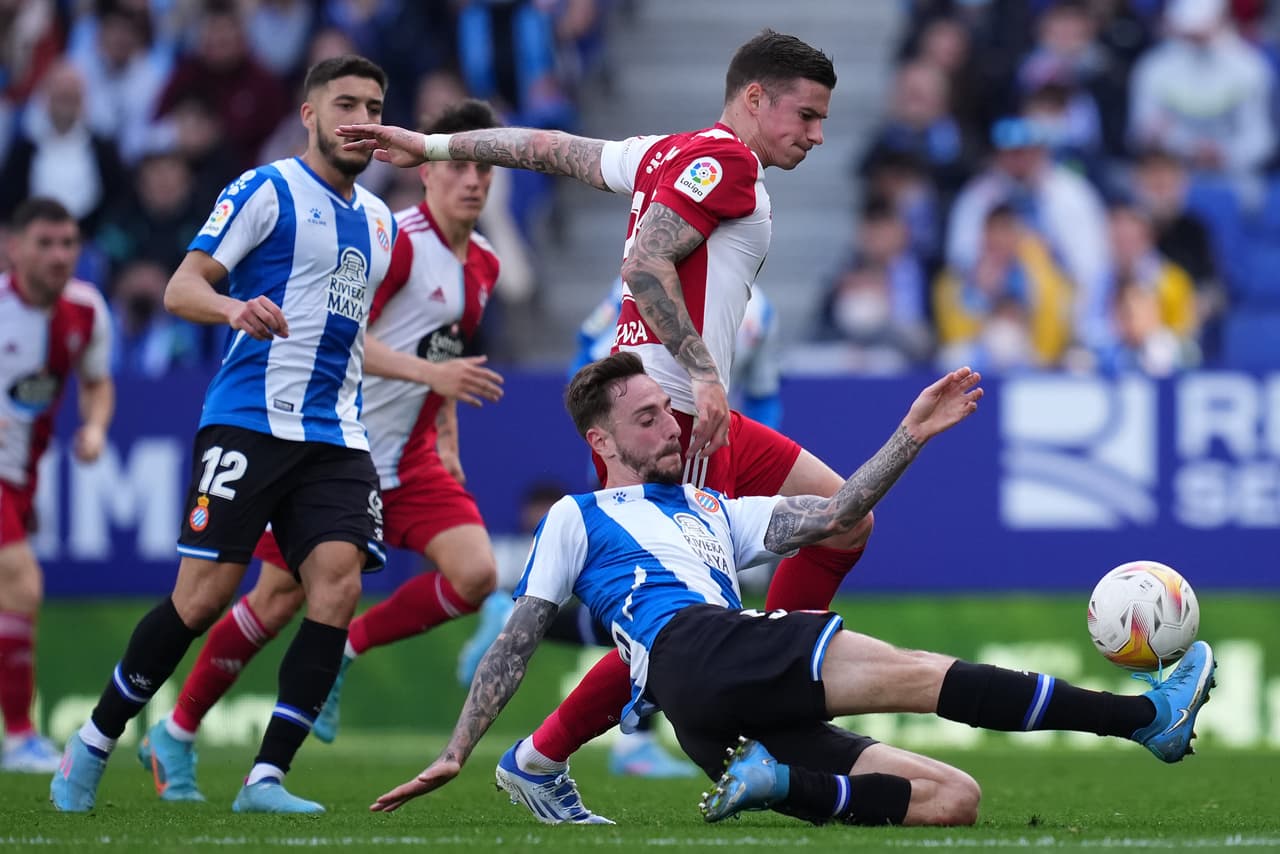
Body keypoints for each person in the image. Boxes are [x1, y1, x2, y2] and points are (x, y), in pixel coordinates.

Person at [337, 29, 880, 823]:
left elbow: (549, 148)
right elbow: (642, 266)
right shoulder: (723, 161)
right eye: (806, 115)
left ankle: (780, 663)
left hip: (694, 409)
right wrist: (699, 368)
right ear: (754, 98)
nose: (817, 135)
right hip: (674, 419)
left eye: (825, 119)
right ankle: (545, 755)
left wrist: (432, 141)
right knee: (681, 630)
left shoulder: (667, 151)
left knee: (845, 519)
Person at [367, 352, 1218, 829]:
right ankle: (1144, 720)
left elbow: (841, 511)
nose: (669, 425)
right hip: (696, 648)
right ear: (602, 440)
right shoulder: (578, 516)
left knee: (953, 800)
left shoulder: (712, 507)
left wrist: (909, 434)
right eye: (645, 419)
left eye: (667, 411)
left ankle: (785, 787)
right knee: (920, 674)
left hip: (705, 718)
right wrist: (457, 748)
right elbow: (518, 636)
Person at [132, 99, 508, 803]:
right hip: (336, 446)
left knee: (478, 574)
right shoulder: (392, 241)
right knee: (273, 602)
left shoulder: (482, 264)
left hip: (414, 457)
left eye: (485, 166)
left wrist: (447, 428)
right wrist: (433, 377)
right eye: (458, 163)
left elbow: (446, 352)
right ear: (425, 171)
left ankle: (347, 652)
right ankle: (176, 730)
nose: (473, 179)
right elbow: (343, 336)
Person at [50, 54, 397, 815]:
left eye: (373, 105)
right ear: (309, 114)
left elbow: (347, 332)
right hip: (248, 419)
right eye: (345, 103)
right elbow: (182, 287)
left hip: (336, 432)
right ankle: (98, 738)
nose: (360, 120)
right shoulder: (266, 189)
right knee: (202, 599)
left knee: (336, 583)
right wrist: (235, 309)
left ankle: (266, 778)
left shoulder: (380, 222)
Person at [0, 198, 114, 772]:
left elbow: (97, 383)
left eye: (68, 243)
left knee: (12, 593)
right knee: (22, 583)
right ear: (13, 247)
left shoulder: (86, 310)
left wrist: (93, 429)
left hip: (20, 477)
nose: (59, 254)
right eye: (45, 242)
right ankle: (19, 736)